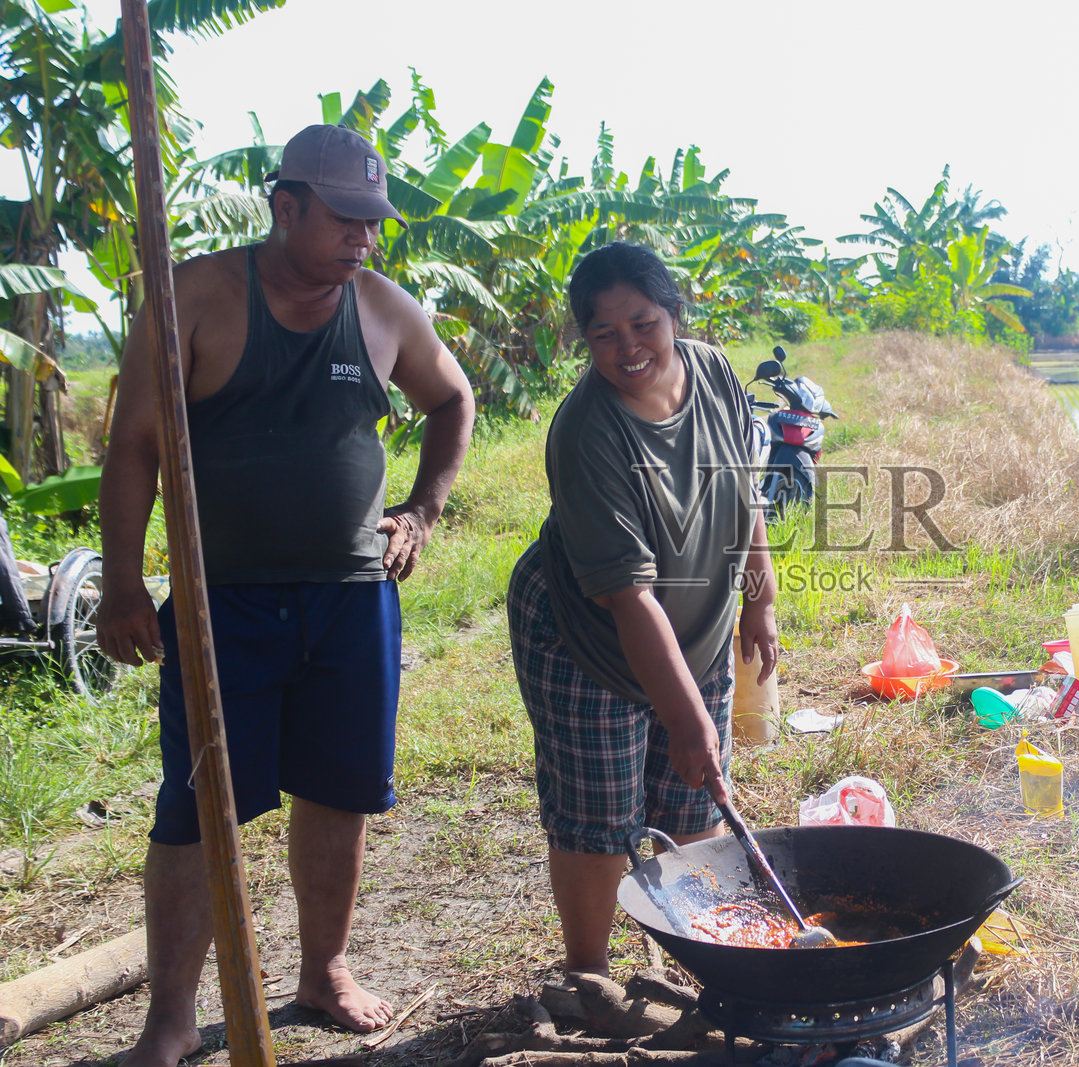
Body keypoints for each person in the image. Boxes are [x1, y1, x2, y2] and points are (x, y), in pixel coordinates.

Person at [97, 124, 475, 1067]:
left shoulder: (382, 308)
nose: (364, 239)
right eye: (345, 218)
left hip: (350, 598)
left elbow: (452, 400)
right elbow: (135, 447)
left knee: (338, 791)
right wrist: (118, 584)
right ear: (287, 205)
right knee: (196, 806)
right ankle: (173, 1017)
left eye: (374, 223)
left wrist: (422, 510)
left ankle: (324, 969)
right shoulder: (194, 297)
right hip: (222, 601)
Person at [506, 241, 778, 976]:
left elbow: (742, 480)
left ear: (674, 314)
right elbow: (628, 599)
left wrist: (759, 595)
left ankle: (700, 961)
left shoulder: (714, 369)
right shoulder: (587, 432)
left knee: (692, 813)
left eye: (643, 322)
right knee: (600, 820)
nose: (628, 346)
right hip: (586, 639)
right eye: (604, 333)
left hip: (696, 624)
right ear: (584, 341)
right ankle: (587, 974)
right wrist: (688, 722)